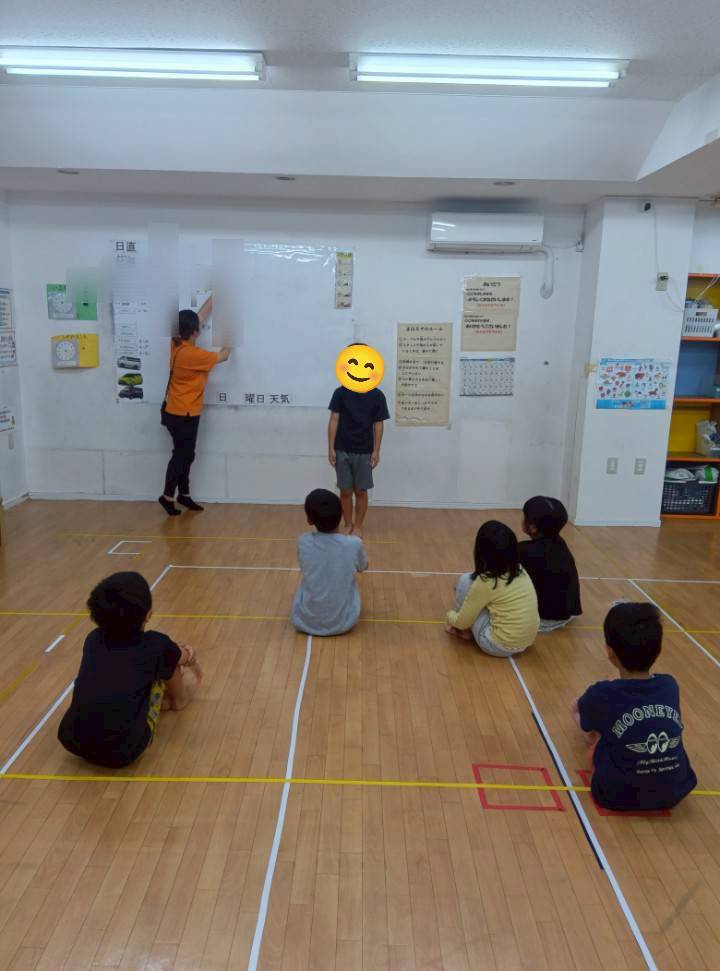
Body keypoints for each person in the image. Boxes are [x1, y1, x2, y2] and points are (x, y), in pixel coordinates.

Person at [58, 572, 202, 768]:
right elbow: (183, 656)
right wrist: (189, 652)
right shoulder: (156, 645)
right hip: (124, 751)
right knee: (169, 658)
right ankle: (179, 700)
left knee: (153, 659)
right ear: (148, 614)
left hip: (73, 740)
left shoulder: (93, 639)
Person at [572, 602, 696, 812]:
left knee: (592, 736)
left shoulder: (603, 692)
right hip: (676, 790)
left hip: (614, 795)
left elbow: (579, 715)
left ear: (610, 653)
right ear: (658, 650)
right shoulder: (669, 685)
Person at [159, 303, 231, 516]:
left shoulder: (175, 344)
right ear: (195, 332)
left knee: (185, 455)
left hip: (174, 411)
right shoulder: (193, 355)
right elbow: (224, 355)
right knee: (182, 456)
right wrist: (231, 331)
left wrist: (215, 297)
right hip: (185, 414)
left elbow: (198, 317)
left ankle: (184, 494)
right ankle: (167, 496)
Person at [445, 521, 539, 657]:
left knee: (465, 581)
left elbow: (462, 622)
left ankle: (466, 633)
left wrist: (450, 615)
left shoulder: (485, 581)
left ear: (481, 551)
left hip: (495, 645)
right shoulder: (520, 570)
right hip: (527, 641)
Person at [328, 350, 389, 536]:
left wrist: (376, 450)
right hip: (342, 449)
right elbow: (334, 419)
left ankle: (359, 526)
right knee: (345, 491)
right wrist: (331, 448)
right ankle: (348, 524)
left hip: (364, 450)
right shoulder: (340, 393)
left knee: (361, 491)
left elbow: (378, 424)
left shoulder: (377, 395)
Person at [291, 488, 368, 636]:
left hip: (304, 622)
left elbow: (304, 566)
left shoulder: (303, 541)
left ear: (309, 520)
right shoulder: (354, 543)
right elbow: (363, 566)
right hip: (345, 623)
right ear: (342, 515)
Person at [518, 496, 582, 631]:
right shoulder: (559, 543)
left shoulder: (526, 551)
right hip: (568, 612)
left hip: (545, 619)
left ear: (533, 527)